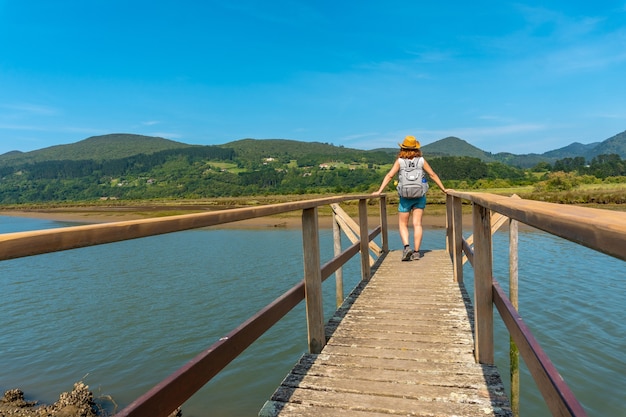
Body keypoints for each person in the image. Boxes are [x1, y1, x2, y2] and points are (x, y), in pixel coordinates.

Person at [373, 135, 448, 261]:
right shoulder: (421, 160)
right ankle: (417, 252)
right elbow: (432, 175)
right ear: (416, 148)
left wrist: (379, 191)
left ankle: (407, 247)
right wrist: (444, 189)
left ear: (403, 148)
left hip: (405, 197)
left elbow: (390, 175)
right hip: (419, 196)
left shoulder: (400, 161)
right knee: (417, 224)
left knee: (403, 224)